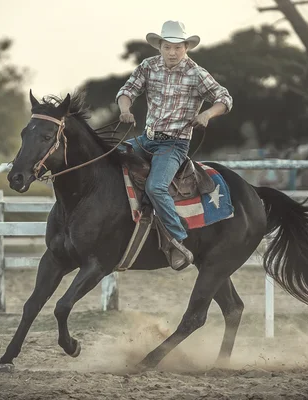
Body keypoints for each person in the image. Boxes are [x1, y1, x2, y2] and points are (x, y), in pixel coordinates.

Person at [115, 20, 233, 271]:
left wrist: (207, 115)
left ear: (186, 47)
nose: (172, 52)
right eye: (168, 46)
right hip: (147, 138)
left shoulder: (196, 73)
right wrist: (125, 109)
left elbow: (224, 98)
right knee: (111, 158)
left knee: (156, 186)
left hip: (175, 143)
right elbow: (128, 90)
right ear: (160, 46)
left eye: (178, 47)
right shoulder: (148, 66)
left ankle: (176, 239)